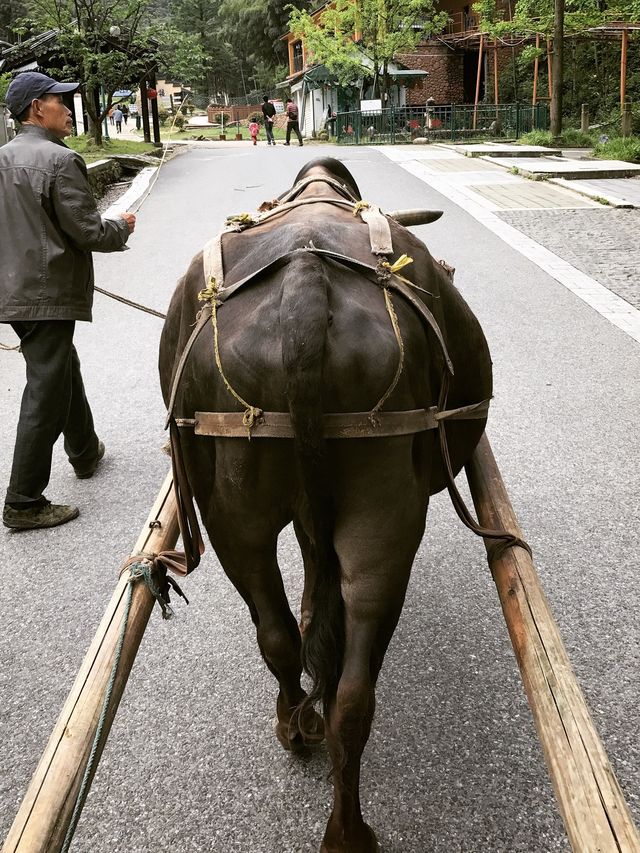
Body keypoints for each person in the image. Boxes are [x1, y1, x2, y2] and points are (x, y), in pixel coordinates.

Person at [0, 71, 136, 530]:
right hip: (47, 293)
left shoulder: (2, 159)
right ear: (38, 108)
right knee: (46, 386)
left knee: (59, 366)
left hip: (15, 292)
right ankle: (23, 500)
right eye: (60, 101)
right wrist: (122, 225)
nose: (68, 108)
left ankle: (84, 449)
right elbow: (88, 231)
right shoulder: (59, 160)